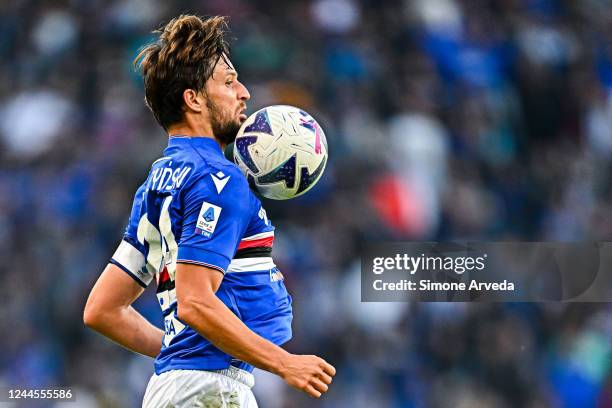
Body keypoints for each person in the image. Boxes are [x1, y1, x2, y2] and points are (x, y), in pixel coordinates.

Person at [83, 14, 335, 407]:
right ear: (194, 98)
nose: (244, 93)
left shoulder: (157, 183)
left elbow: (103, 309)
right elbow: (195, 301)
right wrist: (285, 363)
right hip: (209, 391)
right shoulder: (218, 179)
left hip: (183, 387)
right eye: (229, 82)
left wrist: (179, 355)